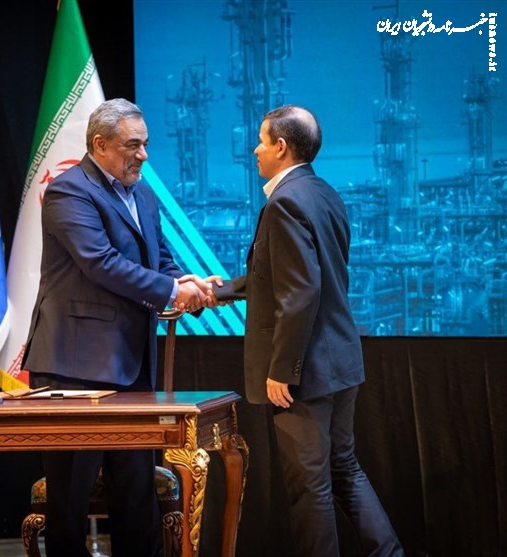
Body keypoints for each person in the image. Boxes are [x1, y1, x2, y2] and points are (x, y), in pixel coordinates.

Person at [21, 98, 214, 557]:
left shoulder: (142, 193)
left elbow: (159, 259)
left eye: (145, 144)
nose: (143, 155)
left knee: (136, 497)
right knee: (70, 503)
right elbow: (101, 263)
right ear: (100, 144)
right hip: (74, 369)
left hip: (131, 367)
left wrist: (186, 282)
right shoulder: (69, 191)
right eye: (133, 145)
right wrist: (173, 291)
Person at [213, 105, 404, 556]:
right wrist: (218, 291)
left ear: (281, 147)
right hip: (338, 362)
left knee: (309, 486)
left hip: (307, 372)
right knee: (343, 470)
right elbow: (281, 275)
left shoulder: (284, 203)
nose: (255, 150)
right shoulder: (323, 192)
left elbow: (300, 292)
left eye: (261, 141)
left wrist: (283, 369)